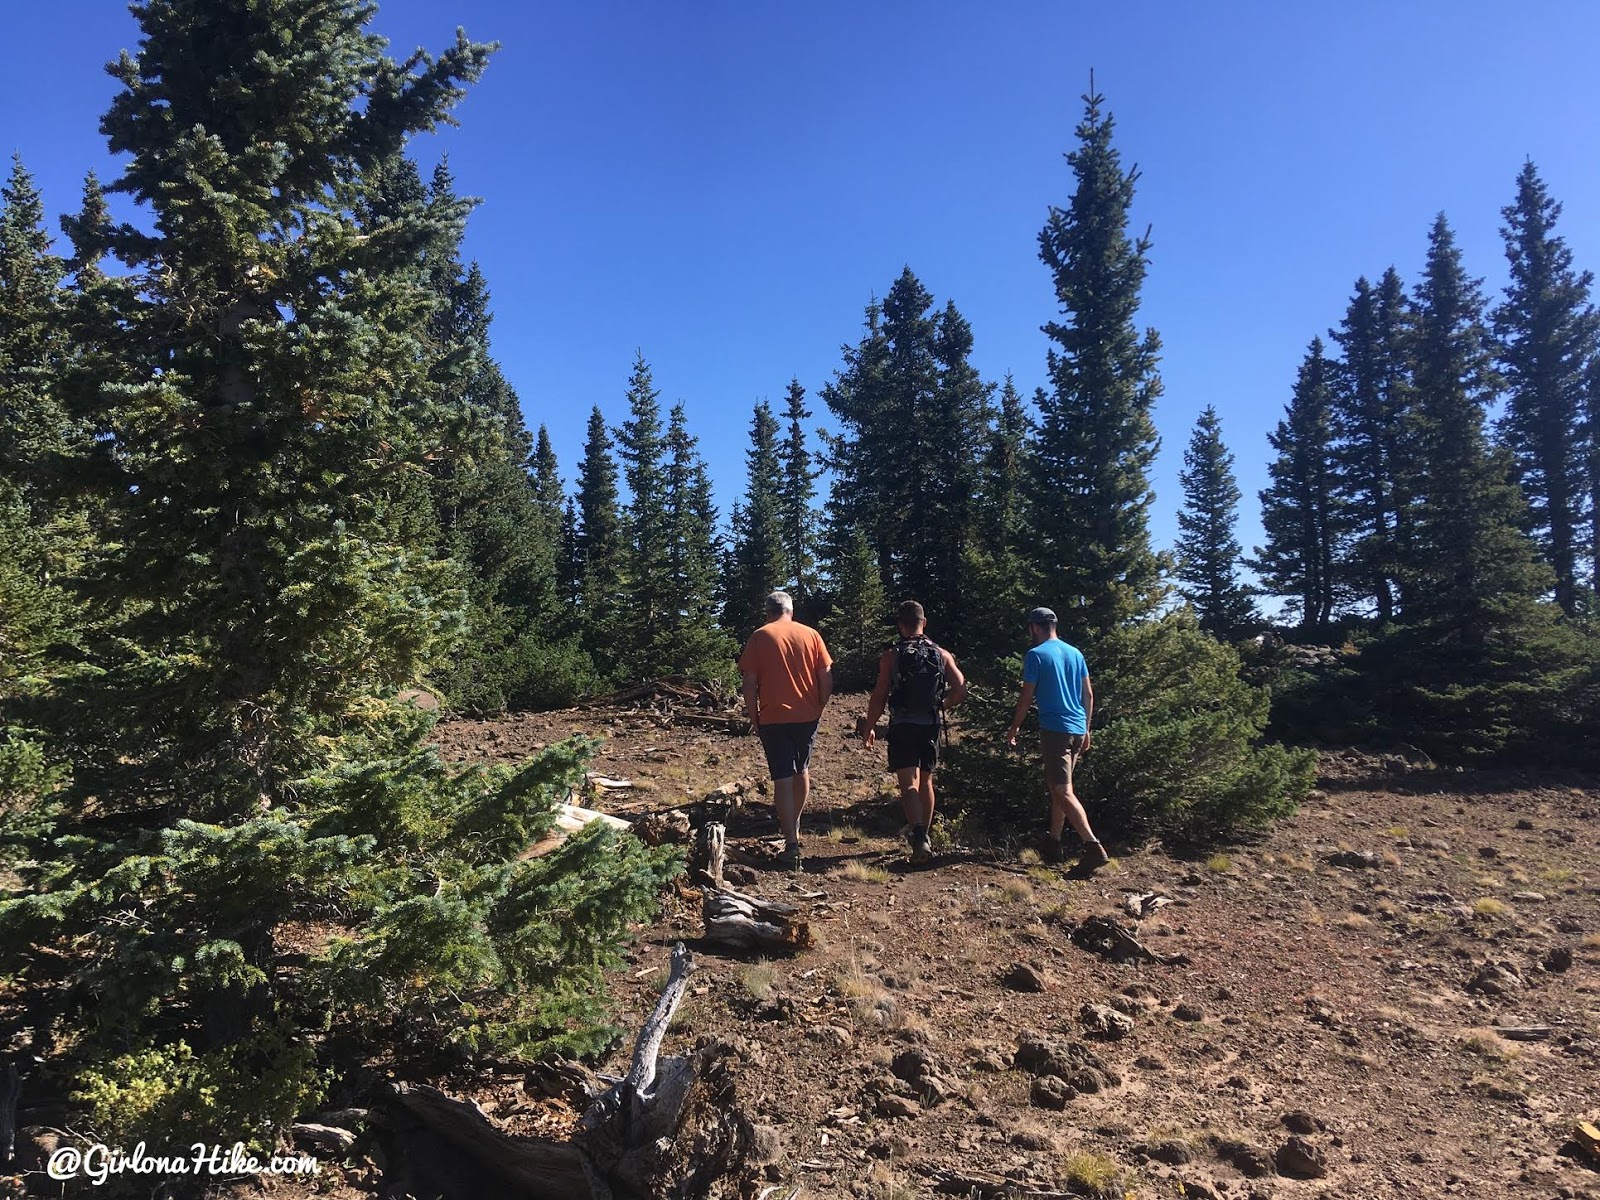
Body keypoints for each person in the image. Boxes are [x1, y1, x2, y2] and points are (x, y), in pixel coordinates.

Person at [1004, 607, 1110, 870]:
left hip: (1055, 729)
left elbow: (1026, 697)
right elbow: (1089, 695)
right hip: (1076, 728)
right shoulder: (1075, 653)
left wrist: (1014, 728)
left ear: (1035, 627)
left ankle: (1092, 845)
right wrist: (1086, 730)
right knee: (1060, 788)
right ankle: (1054, 840)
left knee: (1062, 791)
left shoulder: (1035, 655)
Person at [862, 601, 968, 864]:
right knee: (926, 781)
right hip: (930, 724)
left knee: (908, 784)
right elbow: (961, 688)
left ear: (900, 625)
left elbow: (879, 695)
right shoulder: (941, 654)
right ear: (924, 622)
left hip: (903, 725)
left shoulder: (892, 655)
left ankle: (918, 835)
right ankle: (925, 835)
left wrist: (869, 727)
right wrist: (942, 704)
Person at [738, 591, 834, 871]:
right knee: (801, 769)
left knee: (781, 777)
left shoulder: (760, 636)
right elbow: (826, 675)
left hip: (773, 716)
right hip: (806, 715)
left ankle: (791, 842)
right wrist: (819, 706)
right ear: (791, 611)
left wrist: (754, 716)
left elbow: (749, 682)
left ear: (768, 612)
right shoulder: (811, 635)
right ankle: (796, 825)